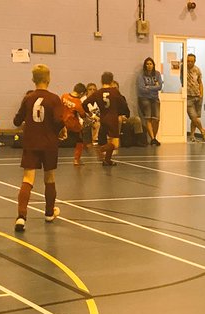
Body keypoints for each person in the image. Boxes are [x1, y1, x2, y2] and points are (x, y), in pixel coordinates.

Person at [13, 64, 81, 232]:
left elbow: (16, 121)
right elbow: (58, 121)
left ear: (33, 80)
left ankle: (21, 217)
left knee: (28, 178)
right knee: (49, 177)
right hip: (49, 143)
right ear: (48, 79)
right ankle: (49, 213)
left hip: (30, 142)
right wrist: (63, 129)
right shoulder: (54, 99)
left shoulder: (28, 98)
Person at [83, 71, 131, 166]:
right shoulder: (115, 92)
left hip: (103, 118)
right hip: (112, 119)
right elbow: (123, 104)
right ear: (112, 81)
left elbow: (84, 103)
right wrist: (126, 113)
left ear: (101, 81)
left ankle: (107, 160)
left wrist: (89, 113)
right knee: (115, 144)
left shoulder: (98, 93)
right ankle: (98, 149)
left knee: (108, 141)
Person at [137, 57, 163, 146]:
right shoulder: (141, 76)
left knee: (156, 119)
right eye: (147, 64)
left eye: (150, 64)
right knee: (148, 118)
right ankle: (152, 138)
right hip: (144, 98)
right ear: (145, 65)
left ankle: (154, 138)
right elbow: (141, 88)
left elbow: (160, 87)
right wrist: (153, 88)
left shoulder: (157, 74)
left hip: (155, 98)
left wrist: (149, 87)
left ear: (153, 65)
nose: (149, 66)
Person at [62, 83, 88, 165]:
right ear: (81, 93)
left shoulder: (64, 96)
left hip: (62, 122)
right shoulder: (78, 102)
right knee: (80, 140)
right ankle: (76, 160)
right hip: (73, 124)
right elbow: (82, 115)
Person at [185, 53, 205, 142]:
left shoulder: (197, 70)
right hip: (188, 96)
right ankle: (202, 130)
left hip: (197, 96)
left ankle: (192, 135)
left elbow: (200, 82)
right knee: (193, 116)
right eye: (188, 61)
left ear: (194, 61)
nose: (189, 63)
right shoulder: (183, 69)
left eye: (191, 61)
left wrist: (201, 94)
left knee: (195, 118)